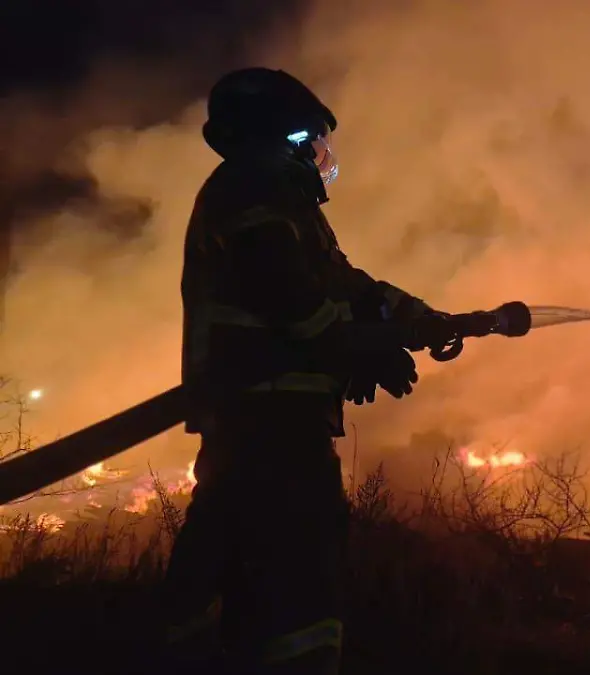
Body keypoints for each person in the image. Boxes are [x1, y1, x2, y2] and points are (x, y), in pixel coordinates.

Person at [159, 67, 435, 674]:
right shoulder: (255, 192)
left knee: (238, 576)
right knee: (297, 590)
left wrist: (418, 318)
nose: (318, 156)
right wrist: (360, 348)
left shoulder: (279, 200)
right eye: (308, 139)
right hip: (266, 424)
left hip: (274, 424)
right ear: (279, 134)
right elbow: (297, 307)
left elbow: (344, 284)